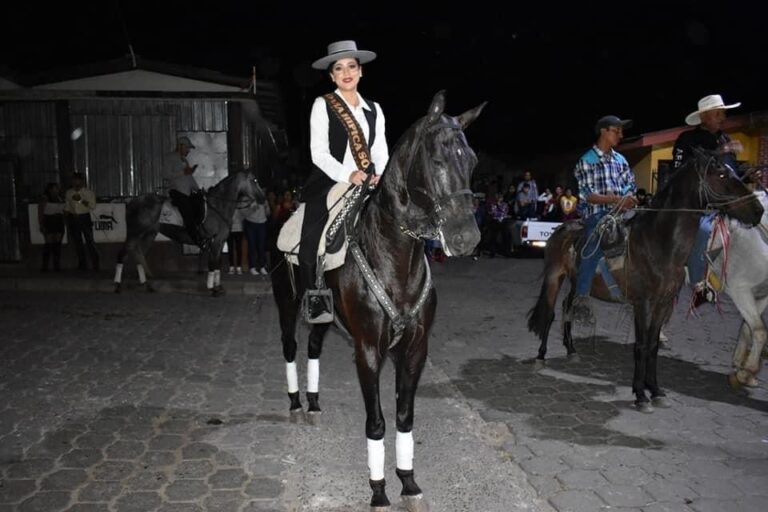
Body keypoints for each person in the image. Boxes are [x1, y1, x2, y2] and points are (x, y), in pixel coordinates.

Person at [300, 40, 389, 323]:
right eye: (339, 68)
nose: (346, 72)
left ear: (361, 71)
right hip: (331, 182)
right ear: (332, 76)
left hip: (369, 184)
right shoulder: (322, 105)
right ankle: (315, 300)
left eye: (352, 66)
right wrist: (347, 174)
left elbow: (380, 151)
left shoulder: (375, 109)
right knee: (309, 245)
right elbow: (319, 153)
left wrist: (378, 174)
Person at [673, 94, 742, 306]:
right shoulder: (687, 140)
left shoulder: (725, 138)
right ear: (704, 116)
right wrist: (718, 152)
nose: (723, 117)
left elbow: (731, 173)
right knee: (703, 230)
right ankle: (698, 284)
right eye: (718, 113)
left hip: (724, 202)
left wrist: (746, 175)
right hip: (694, 204)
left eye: (724, 113)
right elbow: (682, 172)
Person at [572, 115, 638, 322]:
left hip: (622, 213)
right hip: (597, 214)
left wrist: (629, 197)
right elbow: (587, 195)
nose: (621, 134)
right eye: (616, 130)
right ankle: (581, 297)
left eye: (621, 131)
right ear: (603, 131)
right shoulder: (586, 161)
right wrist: (614, 200)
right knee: (594, 242)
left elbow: (630, 184)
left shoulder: (621, 160)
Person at [162, 136, 205, 246]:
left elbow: (189, 178)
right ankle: (196, 238)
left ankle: (198, 230)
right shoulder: (169, 157)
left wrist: (198, 190)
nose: (188, 151)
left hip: (187, 193)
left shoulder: (184, 160)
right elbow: (166, 175)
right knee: (187, 210)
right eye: (187, 148)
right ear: (181, 146)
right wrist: (183, 173)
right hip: (177, 192)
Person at [64, 172, 100, 271]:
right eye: (73, 180)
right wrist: (66, 215)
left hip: (84, 217)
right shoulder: (69, 193)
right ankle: (82, 264)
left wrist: (80, 200)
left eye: (77, 180)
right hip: (73, 218)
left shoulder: (88, 192)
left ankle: (95, 264)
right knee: (77, 242)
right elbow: (67, 205)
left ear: (82, 181)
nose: (75, 182)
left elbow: (92, 206)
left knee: (89, 241)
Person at [38, 182, 65, 272]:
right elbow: (41, 212)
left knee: (57, 245)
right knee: (48, 244)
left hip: (58, 221)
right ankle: (45, 266)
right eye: (55, 188)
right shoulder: (45, 198)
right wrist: (41, 224)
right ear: (50, 189)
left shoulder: (59, 198)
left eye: (57, 188)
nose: (57, 190)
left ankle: (56, 265)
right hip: (49, 221)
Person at [242, 197, 270, 275]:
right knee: (252, 245)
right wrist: (253, 208)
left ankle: (262, 266)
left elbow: (268, 213)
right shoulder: (248, 199)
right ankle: (252, 267)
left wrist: (266, 207)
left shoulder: (264, 199)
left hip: (262, 223)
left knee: (261, 245)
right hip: (250, 223)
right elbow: (243, 213)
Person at [227, 209, 244, 275]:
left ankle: (239, 267)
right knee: (230, 249)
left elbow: (243, 216)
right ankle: (231, 267)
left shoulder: (240, 206)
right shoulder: (229, 206)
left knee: (239, 249)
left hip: (239, 229)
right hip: (229, 230)